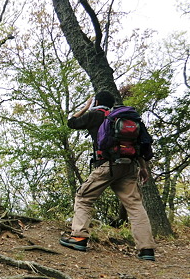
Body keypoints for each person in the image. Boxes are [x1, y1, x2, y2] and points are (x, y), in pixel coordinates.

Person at [59, 91, 156, 261]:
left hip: (107, 165)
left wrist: (85, 107)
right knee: (135, 206)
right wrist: (143, 167)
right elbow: (139, 145)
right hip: (129, 166)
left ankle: (78, 237)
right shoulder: (123, 119)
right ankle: (146, 249)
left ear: (97, 101)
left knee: (83, 197)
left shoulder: (95, 115)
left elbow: (71, 122)